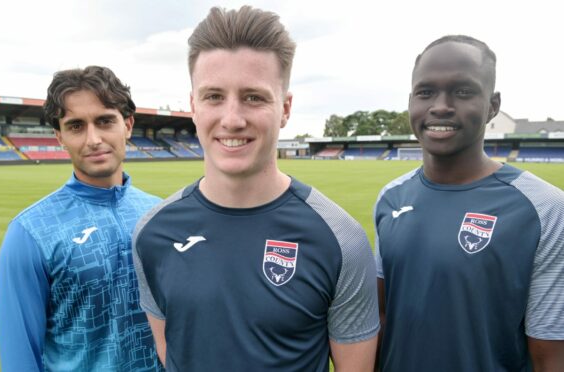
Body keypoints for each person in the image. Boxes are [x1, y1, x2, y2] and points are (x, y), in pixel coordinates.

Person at [133, 6, 379, 372]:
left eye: (253, 97)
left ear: (286, 108)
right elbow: (172, 354)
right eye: (214, 96)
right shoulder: (151, 233)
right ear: (194, 107)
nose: (232, 119)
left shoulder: (341, 240)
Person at [375, 35, 564, 371]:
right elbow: (381, 316)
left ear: (493, 105)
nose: (441, 105)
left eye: (462, 91)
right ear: (410, 101)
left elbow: (550, 354)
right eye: (426, 92)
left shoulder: (545, 208)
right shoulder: (391, 197)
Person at [0, 66, 164, 371]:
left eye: (104, 121)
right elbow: (19, 358)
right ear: (59, 136)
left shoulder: (162, 216)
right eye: (76, 126)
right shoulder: (30, 232)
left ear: (127, 125)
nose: (93, 139)